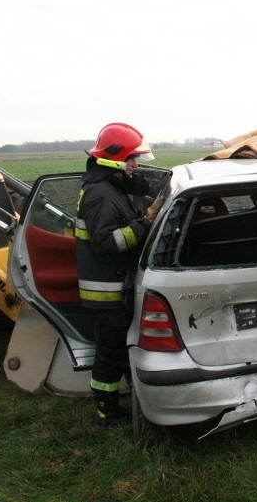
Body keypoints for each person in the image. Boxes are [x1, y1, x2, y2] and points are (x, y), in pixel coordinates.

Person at [76, 122, 162, 427]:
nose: (135, 165)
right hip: (106, 292)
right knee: (109, 355)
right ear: (114, 160)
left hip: (114, 287)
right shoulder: (100, 196)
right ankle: (105, 411)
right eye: (131, 160)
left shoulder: (109, 189)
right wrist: (144, 225)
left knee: (114, 351)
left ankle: (113, 402)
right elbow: (107, 242)